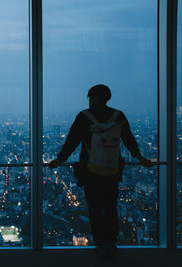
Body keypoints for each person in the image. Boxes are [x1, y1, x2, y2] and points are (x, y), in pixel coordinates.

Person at [48, 84, 153, 260]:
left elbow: (72, 141)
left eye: (90, 97)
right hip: (112, 170)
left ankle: (100, 243)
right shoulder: (118, 116)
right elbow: (128, 139)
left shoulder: (84, 117)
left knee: (95, 207)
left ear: (96, 98)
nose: (89, 101)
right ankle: (111, 242)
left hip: (91, 170)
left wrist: (60, 160)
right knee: (111, 206)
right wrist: (140, 157)